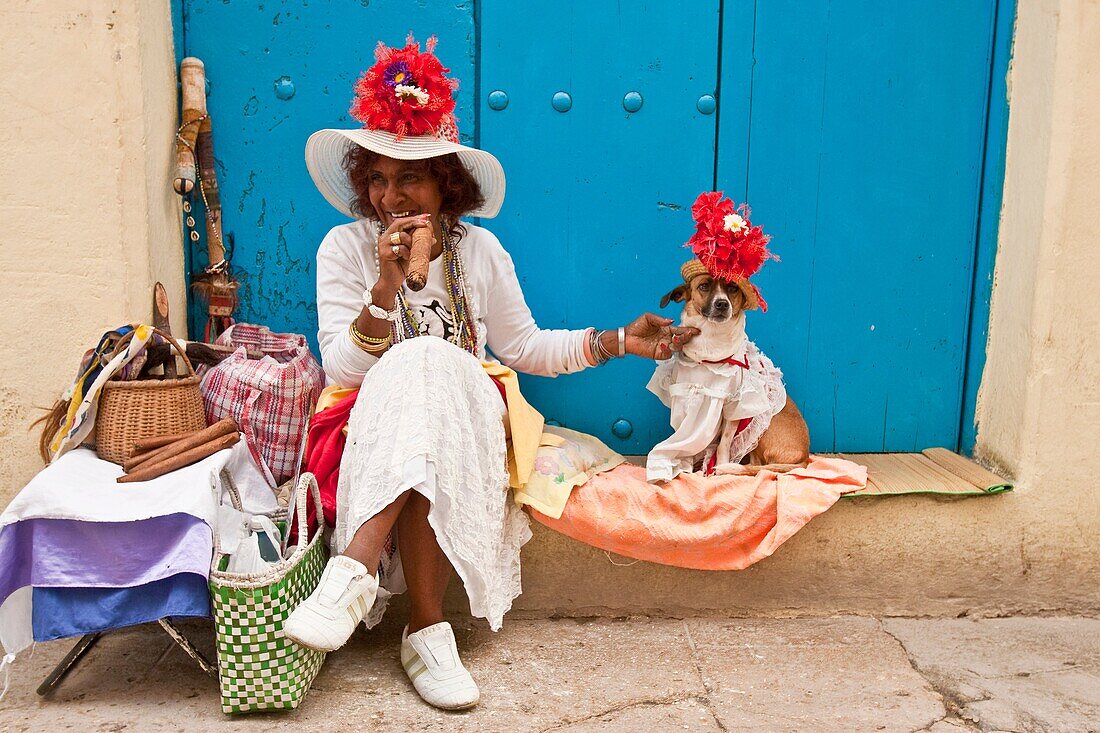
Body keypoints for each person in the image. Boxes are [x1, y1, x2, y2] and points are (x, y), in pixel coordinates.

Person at [282, 35, 697, 711]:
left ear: (447, 181)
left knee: (435, 364)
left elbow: (525, 345)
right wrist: (386, 287)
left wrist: (619, 339)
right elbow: (342, 366)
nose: (390, 197)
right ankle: (425, 628)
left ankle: (352, 571)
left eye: (409, 177)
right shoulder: (344, 248)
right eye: (379, 179)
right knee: (416, 372)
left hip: (468, 418)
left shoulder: (482, 251)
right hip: (371, 423)